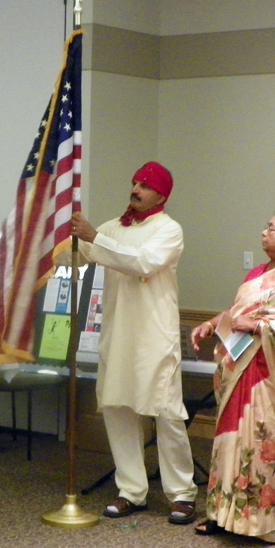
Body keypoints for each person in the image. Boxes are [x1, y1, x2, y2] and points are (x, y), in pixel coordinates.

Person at [70, 161, 198, 524]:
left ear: (161, 194)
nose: (136, 189)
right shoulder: (113, 227)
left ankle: (182, 493)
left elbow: (143, 263)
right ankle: (131, 490)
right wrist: (66, 236)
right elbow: (77, 256)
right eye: (134, 182)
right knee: (117, 408)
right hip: (117, 334)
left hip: (154, 337)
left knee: (167, 412)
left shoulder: (169, 230)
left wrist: (94, 238)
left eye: (144, 185)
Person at [191, 209, 275, 544]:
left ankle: (268, 521)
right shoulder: (257, 273)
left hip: (272, 378)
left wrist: (259, 326)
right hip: (241, 372)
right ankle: (224, 515)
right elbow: (238, 315)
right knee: (231, 444)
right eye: (266, 227)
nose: (264, 233)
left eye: (272, 229)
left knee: (269, 447)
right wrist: (211, 324)